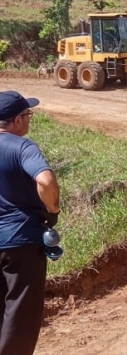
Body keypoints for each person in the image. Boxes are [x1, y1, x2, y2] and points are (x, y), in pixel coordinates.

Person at [0, 90, 60, 355]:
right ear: (16, 121)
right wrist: (53, 207)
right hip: (20, 242)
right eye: (27, 115)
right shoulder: (22, 147)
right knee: (20, 312)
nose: (29, 120)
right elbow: (45, 181)